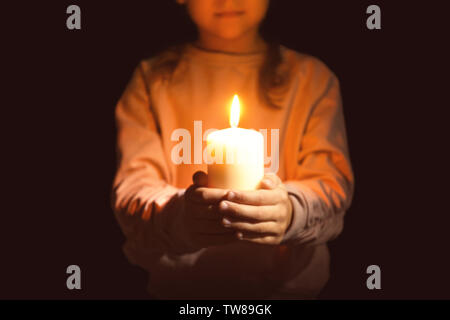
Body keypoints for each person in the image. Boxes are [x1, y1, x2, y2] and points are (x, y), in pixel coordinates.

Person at [111, 0, 354, 299]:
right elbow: (134, 189)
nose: (228, 0)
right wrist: (182, 216)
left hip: (288, 289)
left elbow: (332, 187)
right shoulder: (153, 81)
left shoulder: (312, 80)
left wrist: (291, 212)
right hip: (182, 290)